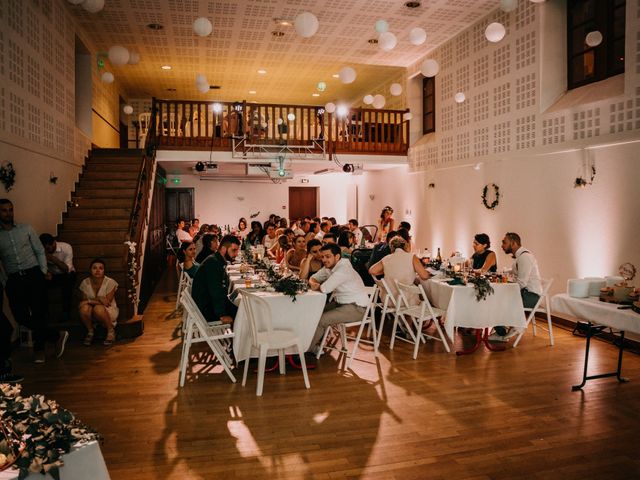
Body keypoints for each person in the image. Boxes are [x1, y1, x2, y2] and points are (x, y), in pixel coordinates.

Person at [0, 199, 68, 367]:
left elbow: (39, 250)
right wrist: (5, 281)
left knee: (39, 313)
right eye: (4, 210)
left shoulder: (26, 229)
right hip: (14, 279)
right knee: (20, 316)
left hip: (33, 275)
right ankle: (55, 336)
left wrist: (42, 272)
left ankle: (40, 350)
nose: (8, 213)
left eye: (10, 209)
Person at [308, 244, 370, 351]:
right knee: (312, 313)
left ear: (337, 257)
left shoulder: (343, 269)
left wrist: (316, 286)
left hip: (357, 308)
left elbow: (324, 289)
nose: (324, 260)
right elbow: (313, 278)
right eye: (322, 257)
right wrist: (313, 283)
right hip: (341, 304)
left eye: (327, 256)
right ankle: (311, 343)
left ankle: (305, 350)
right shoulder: (329, 267)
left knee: (321, 320)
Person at [491, 232, 543, 342]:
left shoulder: (525, 257)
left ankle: (512, 327)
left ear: (514, 243)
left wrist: (504, 288)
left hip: (532, 296)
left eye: (504, 242)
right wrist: (502, 274)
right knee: (496, 295)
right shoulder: (520, 257)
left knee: (498, 297)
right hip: (525, 293)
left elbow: (522, 283)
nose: (502, 245)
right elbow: (515, 272)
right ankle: (504, 328)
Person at [191, 235, 240, 324]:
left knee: (242, 309)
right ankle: (239, 337)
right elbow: (215, 292)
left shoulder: (216, 259)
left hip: (209, 302)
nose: (236, 254)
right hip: (205, 309)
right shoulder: (213, 263)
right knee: (243, 315)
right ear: (224, 249)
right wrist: (221, 314)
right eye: (234, 250)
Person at [369, 236, 431, 302]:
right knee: (425, 298)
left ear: (391, 247)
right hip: (407, 300)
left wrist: (387, 270)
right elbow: (424, 276)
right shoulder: (411, 257)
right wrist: (429, 273)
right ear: (405, 246)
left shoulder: (387, 258)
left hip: (388, 299)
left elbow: (372, 270)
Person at [78, 258, 119, 346]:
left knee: (98, 308)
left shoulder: (110, 282)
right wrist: (100, 299)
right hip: (91, 312)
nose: (97, 270)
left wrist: (90, 301)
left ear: (104, 270)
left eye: (101, 268)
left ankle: (111, 331)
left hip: (108, 311)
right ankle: (90, 331)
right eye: (94, 268)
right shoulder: (85, 282)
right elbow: (84, 302)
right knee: (84, 308)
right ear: (90, 270)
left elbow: (107, 302)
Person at [40, 233, 76, 321]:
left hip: (66, 274)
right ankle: (44, 314)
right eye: (45, 248)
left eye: (50, 247)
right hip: (52, 275)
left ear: (54, 242)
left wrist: (52, 258)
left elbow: (67, 269)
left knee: (68, 281)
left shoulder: (66, 247)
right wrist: (45, 272)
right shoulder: (40, 250)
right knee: (38, 283)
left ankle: (66, 312)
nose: (48, 249)